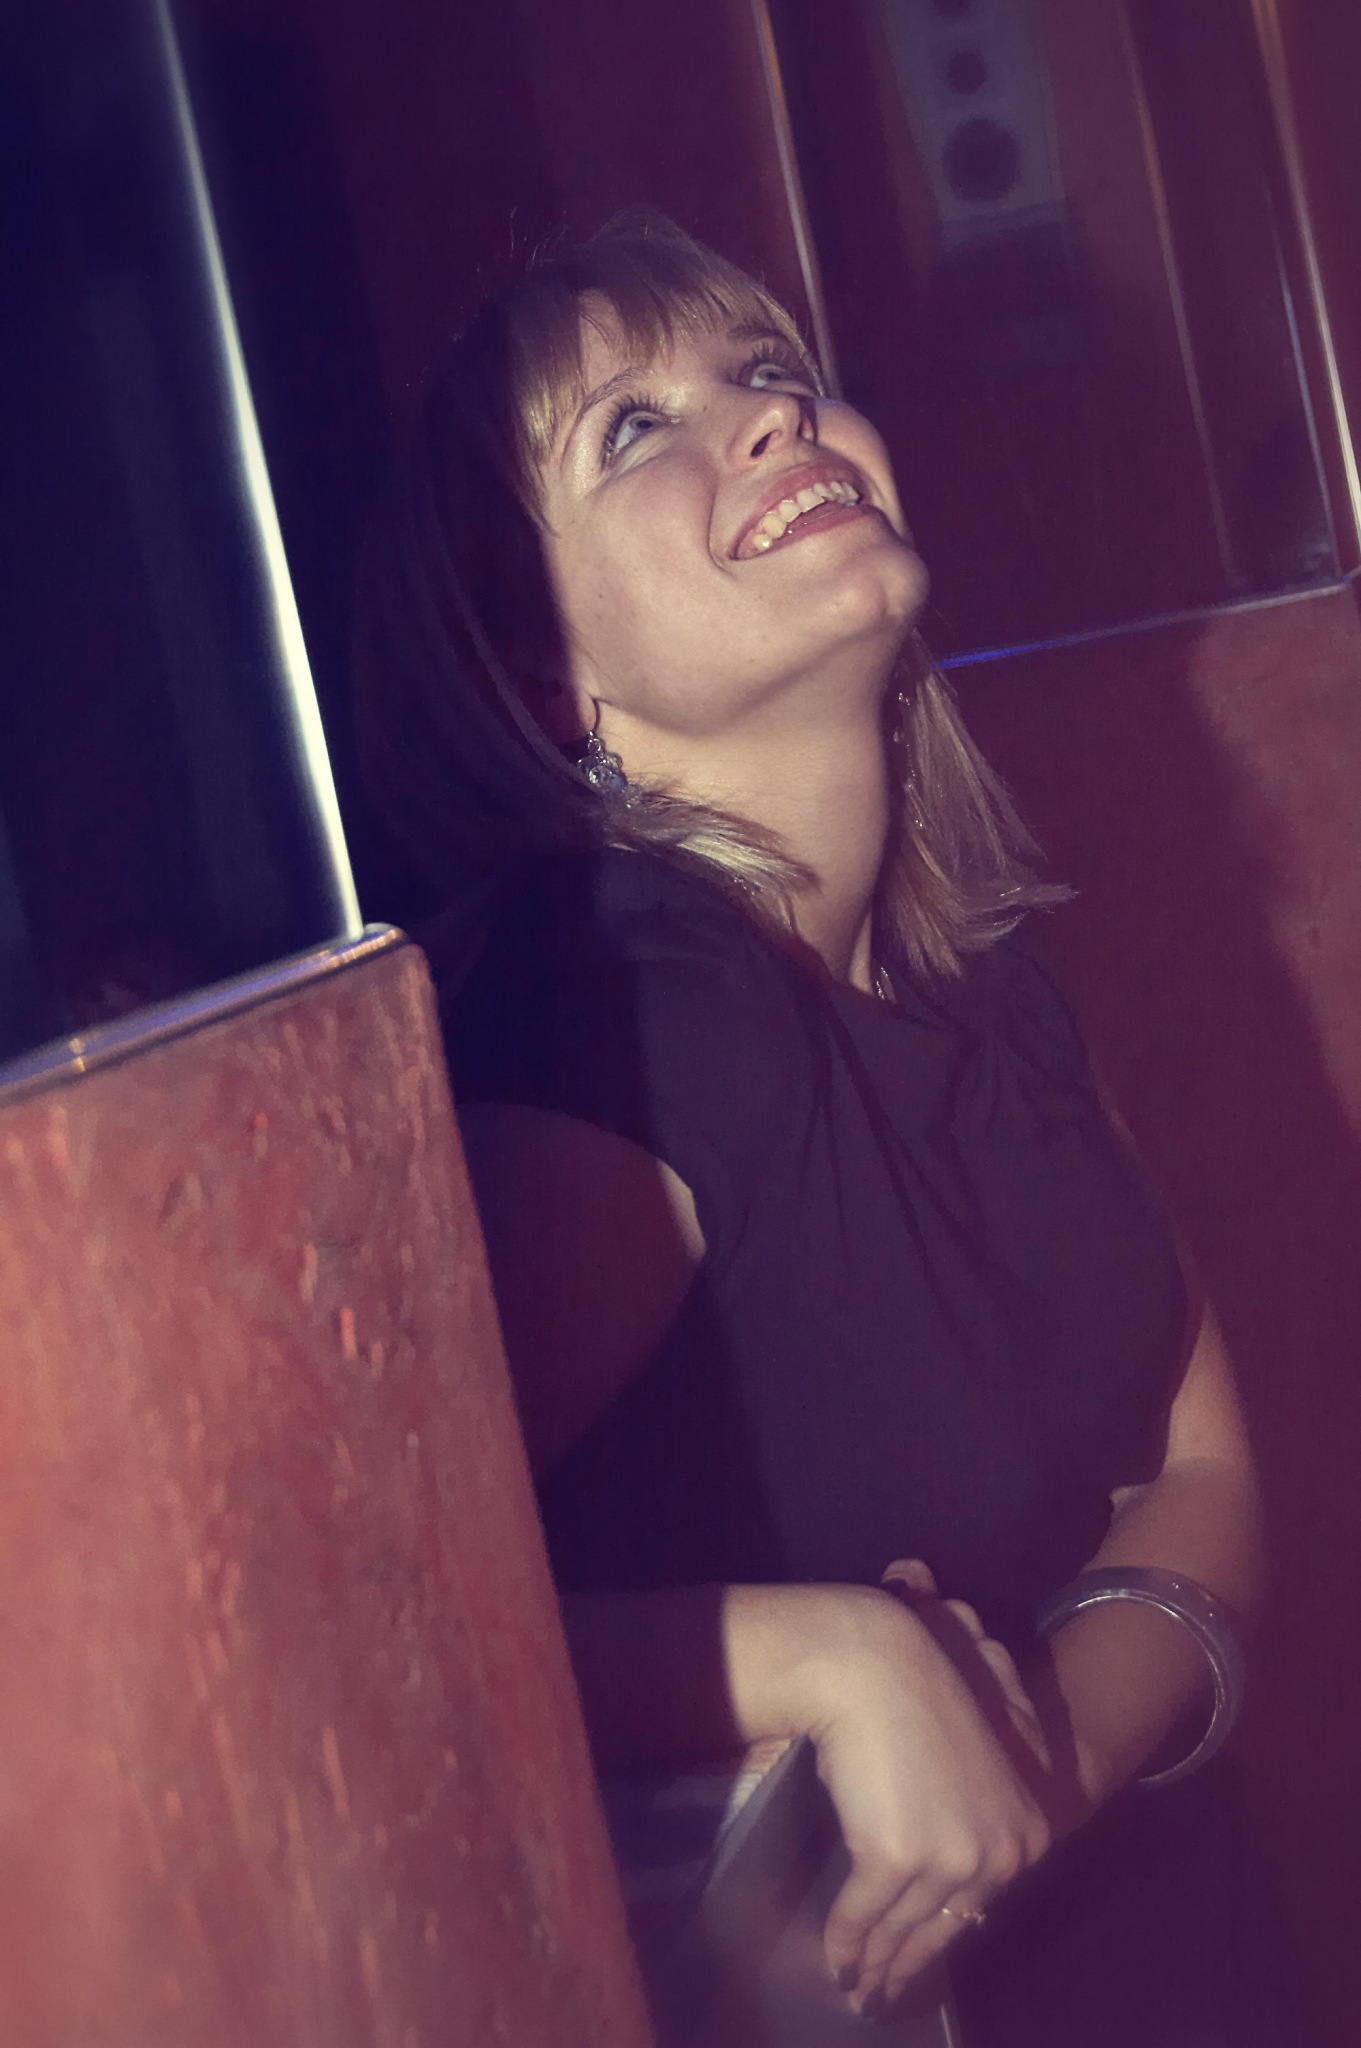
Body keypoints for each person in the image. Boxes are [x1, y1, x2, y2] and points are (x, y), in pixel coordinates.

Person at [354, 215, 1298, 2043]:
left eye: (769, 370)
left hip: (1177, 1957)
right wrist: (822, 1656)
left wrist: (1030, 1774)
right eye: (632, 427)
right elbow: (386, 1633)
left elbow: (1207, 1486)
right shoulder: (623, 1013)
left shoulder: (985, 971)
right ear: (545, 679)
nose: (773, 416)